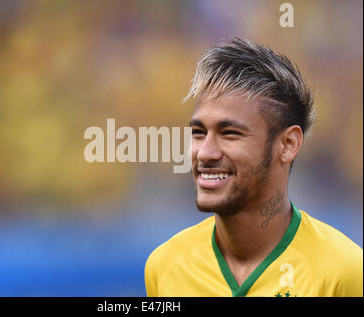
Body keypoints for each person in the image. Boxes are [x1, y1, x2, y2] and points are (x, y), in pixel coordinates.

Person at [144, 38, 363, 297]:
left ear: (288, 144)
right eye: (199, 132)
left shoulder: (344, 272)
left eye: (230, 133)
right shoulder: (165, 267)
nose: (205, 152)